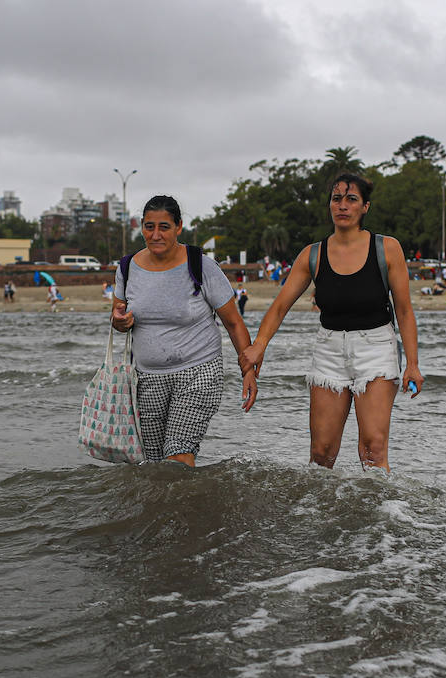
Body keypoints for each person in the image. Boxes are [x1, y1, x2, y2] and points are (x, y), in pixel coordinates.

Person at [240, 172, 423, 472]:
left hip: (376, 348)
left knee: (372, 449)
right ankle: (322, 516)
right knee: (321, 453)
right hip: (329, 351)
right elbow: (280, 306)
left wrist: (413, 364)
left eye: (352, 199)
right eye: (336, 198)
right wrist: (259, 345)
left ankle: (380, 515)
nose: (343, 205)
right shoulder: (313, 255)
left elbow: (404, 310)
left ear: (365, 207)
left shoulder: (387, 249)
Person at [110, 194, 256, 467]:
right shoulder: (127, 267)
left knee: (178, 453)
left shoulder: (201, 265)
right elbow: (118, 316)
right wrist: (120, 321)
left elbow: (234, 322)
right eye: (149, 227)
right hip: (147, 377)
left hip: (198, 371)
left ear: (178, 227)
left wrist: (248, 370)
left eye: (164, 227)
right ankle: (163, 510)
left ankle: (185, 510)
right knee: (151, 462)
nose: (155, 235)